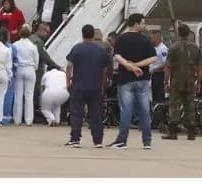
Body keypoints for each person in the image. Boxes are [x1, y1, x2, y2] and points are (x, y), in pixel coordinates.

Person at [108, 13, 157, 150]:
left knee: (126, 111)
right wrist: (138, 65)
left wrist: (130, 66)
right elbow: (153, 58)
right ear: (136, 24)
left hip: (125, 80)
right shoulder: (145, 40)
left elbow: (117, 56)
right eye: (142, 23)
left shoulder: (121, 39)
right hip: (143, 80)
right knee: (144, 111)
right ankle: (147, 142)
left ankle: (122, 141)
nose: (144, 25)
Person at [65, 24, 110, 147]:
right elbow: (105, 69)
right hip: (95, 86)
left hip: (79, 86)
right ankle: (98, 141)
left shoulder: (77, 48)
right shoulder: (100, 51)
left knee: (76, 113)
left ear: (82, 34)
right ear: (93, 35)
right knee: (96, 113)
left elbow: (69, 66)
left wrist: (68, 81)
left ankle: (75, 138)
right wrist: (103, 83)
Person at [162, 23, 202, 140]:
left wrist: (166, 82)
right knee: (189, 106)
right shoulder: (195, 48)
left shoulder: (173, 47)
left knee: (174, 106)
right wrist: (199, 82)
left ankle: (173, 132)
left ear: (178, 33)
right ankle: (191, 132)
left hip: (176, 82)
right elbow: (200, 67)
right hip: (190, 81)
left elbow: (168, 66)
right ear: (189, 33)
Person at [29, 22, 60, 114]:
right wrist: (57, 67)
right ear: (41, 30)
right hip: (36, 71)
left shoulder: (30, 39)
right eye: (47, 32)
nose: (48, 35)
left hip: (28, 70)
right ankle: (32, 114)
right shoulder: (38, 42)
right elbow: (45, 57)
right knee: (35, 93)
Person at [13, 25, 39, 126]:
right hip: (30, 69)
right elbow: (36, 60)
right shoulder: (33, 46)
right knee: (29, 95)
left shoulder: (15, 44)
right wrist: (34, 68)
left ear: (20, 34)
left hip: (19, 69)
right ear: (29, 34)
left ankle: (17, 119)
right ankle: (29, 120)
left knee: (18, 94)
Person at [1, 30, 17, 126]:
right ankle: (6, 117)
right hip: (9, 74)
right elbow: (15, 63)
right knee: (8, 96)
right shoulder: (12, 47)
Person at [149, 30, 168, 104]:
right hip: (154, 76)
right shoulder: (155, 48)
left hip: (160, 76)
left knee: (159, 97)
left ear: (157, 38)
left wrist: (154, 69)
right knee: (154, 97)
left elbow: (166, 63)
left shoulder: (163, 49)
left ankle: (160, 114)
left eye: (151, 38)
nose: (150, 40)